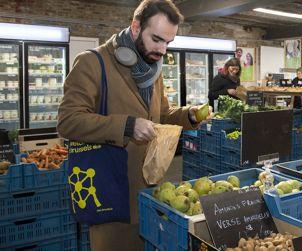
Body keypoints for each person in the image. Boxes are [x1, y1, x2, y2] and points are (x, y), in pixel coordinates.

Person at [57, 1, 212, 250]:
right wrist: (127, 126)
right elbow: (68, 120)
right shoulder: (92, 63)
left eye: (168, 43)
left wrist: (190, 116)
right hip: (110, 188)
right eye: (157, 39)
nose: (162, 50)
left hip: (149, 189)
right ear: (136, 26)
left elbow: (161, 115)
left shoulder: (153, 70)